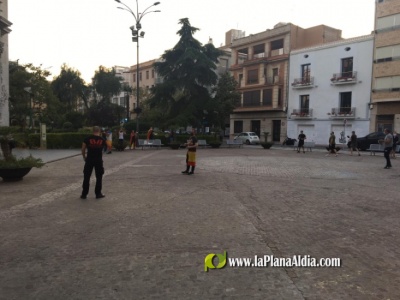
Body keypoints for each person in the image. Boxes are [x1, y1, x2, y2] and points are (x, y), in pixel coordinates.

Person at [81, 126, 106, 199]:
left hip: (89, 160)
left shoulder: (87, 139)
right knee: (99, 177)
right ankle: (98, 193)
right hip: (98, 160)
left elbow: (83, 149)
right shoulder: (102, 140)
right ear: (99, 131)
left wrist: (84, 157)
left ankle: (84, 194)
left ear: (93, 131)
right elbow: (102, 151)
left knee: (86, 176)